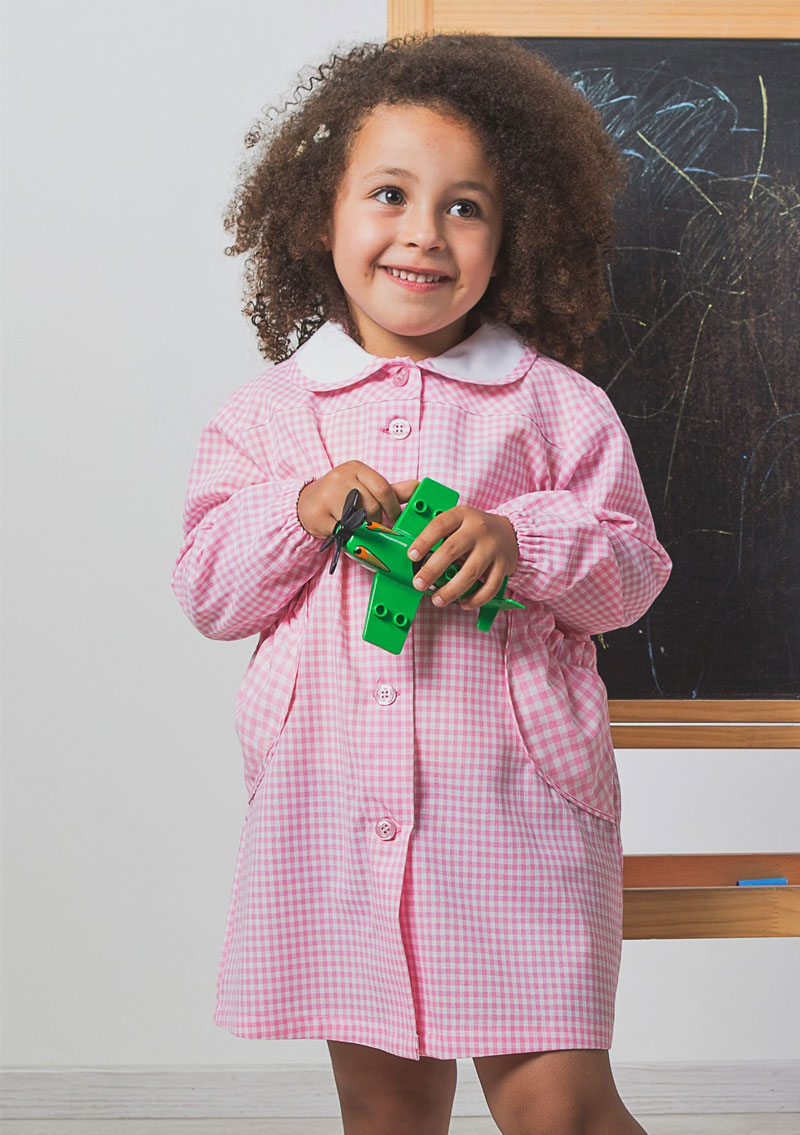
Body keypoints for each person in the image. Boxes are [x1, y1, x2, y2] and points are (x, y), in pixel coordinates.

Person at [170, 31, 672, 1135]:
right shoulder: (268, 418)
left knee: (559, 1104)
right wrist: (296, 511)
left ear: (513, 234)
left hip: (516, 812)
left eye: (465, 207)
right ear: (319, 216)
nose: (422, 234)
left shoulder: (553, 408)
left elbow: (630, 571)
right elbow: (208, 590)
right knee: (387, 1108)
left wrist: (521, 539)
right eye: (389, 193)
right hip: (335, 812)